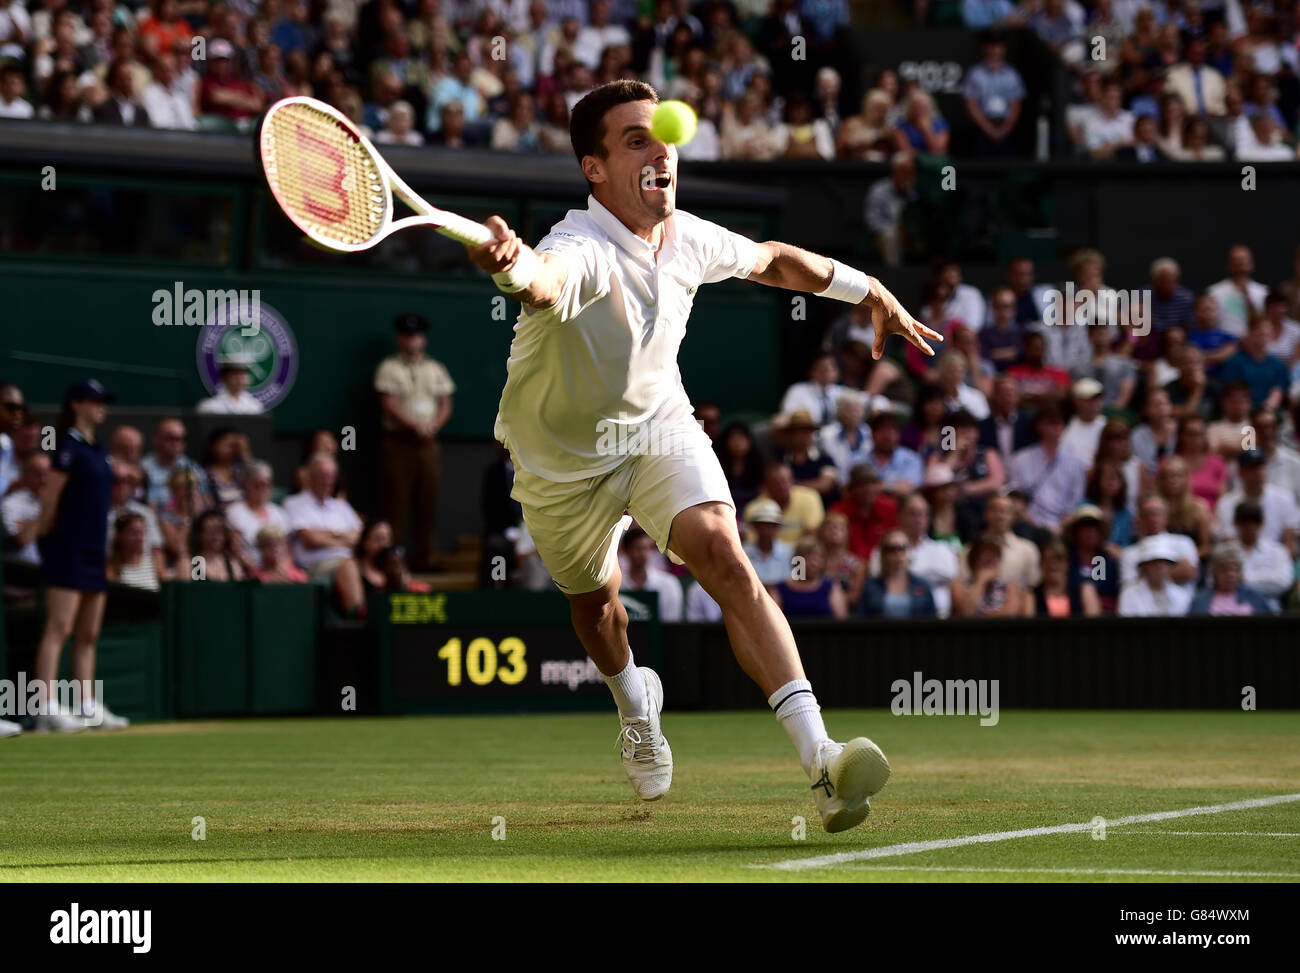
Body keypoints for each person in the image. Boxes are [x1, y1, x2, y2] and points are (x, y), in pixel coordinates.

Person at [465, 81, 941, 830]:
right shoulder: (576, 246)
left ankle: (823, 760)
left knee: (724, 551)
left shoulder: (687, 235)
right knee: (597, 611)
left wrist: (869, 288)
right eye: (633, 140)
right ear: (594, 169)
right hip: (560, 463)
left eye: (663, 136)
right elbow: (544, 283)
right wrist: (510, 266)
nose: (659, 149)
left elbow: (776, 261)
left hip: (658, 426)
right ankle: (635, 702)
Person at [32, 380, 128, 731]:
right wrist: (45, 536)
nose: (101, 407)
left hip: (94, 550)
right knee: (59, 627)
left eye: (103, 401)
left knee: (89, 633)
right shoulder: (66, 448)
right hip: (67, 548)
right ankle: (44, 706)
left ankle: (87, 704)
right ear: (76, 405)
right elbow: (50, 500)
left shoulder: (99, 449)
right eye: (94, 401)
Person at [375, 312, 455, 572]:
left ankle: (426, 558)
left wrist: (433, 426)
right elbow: (387, 404)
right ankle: (394, 562)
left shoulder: (435, 368)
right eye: (408, 336)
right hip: (399, 442)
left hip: (429, 443)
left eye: (417, 336)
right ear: (400, 339)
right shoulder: (389, 368)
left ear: (424, 339)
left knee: (428, 501)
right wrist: (414, 426)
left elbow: (445, 404)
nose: (413, 341)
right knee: (396, 502)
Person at [284, 454, 365, 616]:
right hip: (314, 566)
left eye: (331, 476)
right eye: (322, 475)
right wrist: (342, 536)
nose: (327, 481)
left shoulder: (341, 506)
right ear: (310, 477)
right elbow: (310, 540)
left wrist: (325, 535)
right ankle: (359, 619)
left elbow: (360, 537)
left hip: (348, 561)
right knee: (348, 564)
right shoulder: (294, 503)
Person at [869, 492, 959, 617]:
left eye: (923, 514)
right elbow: (877, 576)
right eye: (913, 513)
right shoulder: (885, 548)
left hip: (940, 619)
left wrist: (904, 572)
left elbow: (951, 574)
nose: (919, 519)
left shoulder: (942, 549)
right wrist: (933, 574)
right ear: (900, 516)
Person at [1008, 405, 1086, 531]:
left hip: (1063, 528)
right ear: (1039, 426)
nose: (1056, 427)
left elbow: (1076, 503)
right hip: (1028, 525)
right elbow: (1016, 499)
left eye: (1059, 423)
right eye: (1051, 423)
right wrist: (1035, 527)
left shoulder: (1076, 464)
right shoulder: (1020, 459)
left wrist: (1060, 528)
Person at [1215, 451, 1299, 557]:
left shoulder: (1285, 498)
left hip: (1277, 562)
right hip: (1240, 562)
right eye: (1252, 468)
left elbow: (1290, 544)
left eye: (1261, 467)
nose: (1258, 472)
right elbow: (1229, 542)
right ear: (1240, 472)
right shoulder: (1226, 504)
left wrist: (1279, 564)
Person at [223, 461, 289, 569]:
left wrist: (282, 571)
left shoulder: (280, 513)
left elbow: (288, 551)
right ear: (245, 485)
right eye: (256, 484)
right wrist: (259, 572)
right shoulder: (234, 512)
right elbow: (235, 550)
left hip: (279, 571)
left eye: (266, 484)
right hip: (250, 571)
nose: (261, 489)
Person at [858, 529, 937, 618]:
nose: (898, 553)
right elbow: (861, 618)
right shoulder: (871, 586)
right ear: (883, 553)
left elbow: (932, 619)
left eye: (903, 548)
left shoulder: (923, 585)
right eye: (892, 549)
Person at [1229, 500, 1294, 608]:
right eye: (1244, 521)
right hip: (1233, 610)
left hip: (1269, 612)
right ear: (1236, 523)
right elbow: (1214, 582)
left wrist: (1243, 579)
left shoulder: (1277, 551)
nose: (1250, 526)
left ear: (1262, 523)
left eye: (1255, 521)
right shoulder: (1227, 551)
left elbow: (1283, 582)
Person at [769, 537, 848, 620]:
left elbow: (841, 622)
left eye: (819, 558)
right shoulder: (779, 590)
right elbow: (774, 622)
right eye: (808, 557)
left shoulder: (831, 588)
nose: (814, 563)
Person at [951, 533, 1026, 617]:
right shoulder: (959, 585)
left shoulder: (1010, 586)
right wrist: (981, 582)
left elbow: (1011, 614)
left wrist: (983, 616)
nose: (990, 559)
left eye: (994, 555)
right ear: (973, 560)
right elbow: (966, 613)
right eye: (984, 555)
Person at [619, 526, 684, 622]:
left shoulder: (669, 583)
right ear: (627, 551)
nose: (643, 554)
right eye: (638, 548)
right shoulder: (618, 585)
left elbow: (671, 625)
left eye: (648, 548)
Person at [1189, 544, 1275, 616]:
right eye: (1224, 569)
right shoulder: (1199, 600)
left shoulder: (1255, 596)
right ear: (1214, 572)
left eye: (1235, 569)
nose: (1230, 574)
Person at [1117, 535, 1192, 617]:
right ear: (1145, 567)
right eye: (1154, 562)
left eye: (1164, 562)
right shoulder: (1129, 594)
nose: (1160, 567)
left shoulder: (1181, 596)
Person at [1029, 540, 1100, 618]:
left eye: (1059, 560)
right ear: (1041, 564)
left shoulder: (1084, 591)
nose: (1053, 565)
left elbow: (1094, 624)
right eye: (1048, 560)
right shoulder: (1032, 595)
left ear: (1067, 564)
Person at [741, 499, 794, 586]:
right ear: (755, 527)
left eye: (770, 526)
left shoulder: (791, 553)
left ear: (777, 528)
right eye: (762, 526)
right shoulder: (743, 553)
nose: (766, 531)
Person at [817, 511, 865, 607]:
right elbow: (800, 588)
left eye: (840, 527)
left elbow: (853, 598)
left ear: (848, 533)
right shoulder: (808, 561)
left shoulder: (858, 565)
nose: (835, 530)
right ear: (821, 532)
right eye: (830, 526)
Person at [715, 421, 764, 511]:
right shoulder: (717, 467)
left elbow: (762, 493)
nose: (738, 443)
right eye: (733, 439)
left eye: (741, 438)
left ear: (749, 441)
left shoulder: (759, 466)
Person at [190, 510, 246, 582]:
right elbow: (188, 590)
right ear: (199, 534)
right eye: (210, 530)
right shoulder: (194, 562)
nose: (216, 535)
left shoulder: (231, 564)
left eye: (220, 530)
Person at [196, 360, 264, 414]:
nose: (240, 381)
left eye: (242, 377)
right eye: (235, 377)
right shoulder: (209, 407)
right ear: (224, 378)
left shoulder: (255, 406)